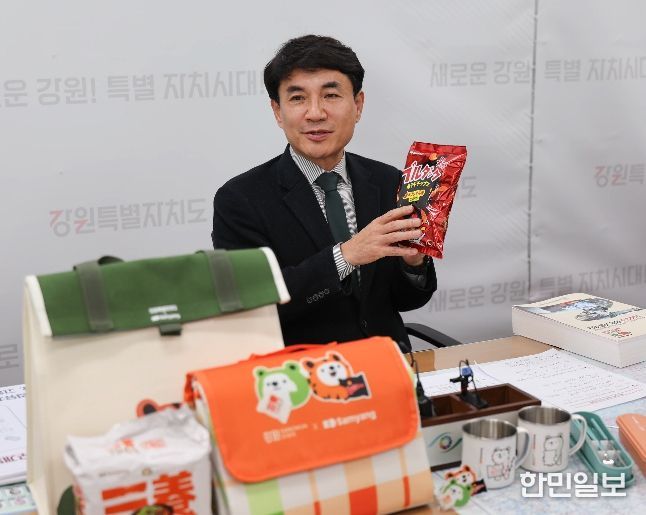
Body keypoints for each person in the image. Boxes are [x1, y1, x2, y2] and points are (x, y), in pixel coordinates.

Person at [212, 35, 436, 346]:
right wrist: (345, 256)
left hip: (390, 361)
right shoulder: (240, 199)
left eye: (331, 95)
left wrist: (414, 263)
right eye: (298, 98)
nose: (315, 113)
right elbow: (253, 306)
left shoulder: (389, 181)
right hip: (303, 369)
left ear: (357, 105)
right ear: (277, 111)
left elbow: (406, 300)